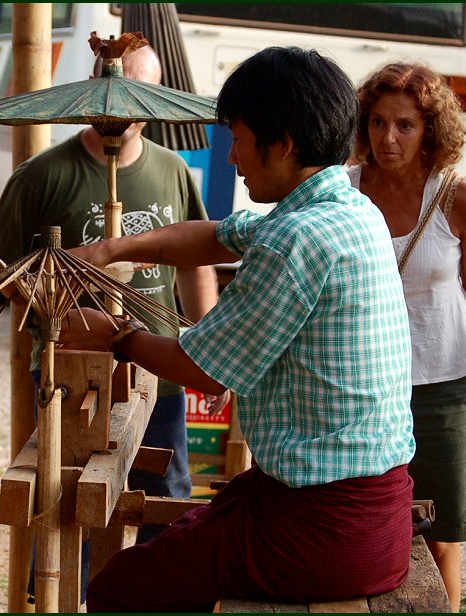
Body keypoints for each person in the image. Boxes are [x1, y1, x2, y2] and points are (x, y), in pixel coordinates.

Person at [60, 46, 417, 612]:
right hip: (367, 508)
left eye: (239, 139)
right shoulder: (345, 207)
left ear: (285, 144)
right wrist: (109, 248)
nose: (231, 158)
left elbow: (203, 373)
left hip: (328, 531)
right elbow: (217, 234)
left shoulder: (296, 240)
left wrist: (115, 335)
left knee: (118, 589)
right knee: (185, 539)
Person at [0, 44, 224, 544]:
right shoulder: (41, 176)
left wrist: (209, 344)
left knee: (164, 504)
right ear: (94, 84)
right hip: (70, 378)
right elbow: (3, 274)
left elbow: (193, 264)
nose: (123, 109)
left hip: (160, 370)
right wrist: (62, 298)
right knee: (68, 511)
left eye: (140, 94)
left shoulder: (172, 170)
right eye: (115, 92)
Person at [348, 61, 466, 612]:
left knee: (442, 528)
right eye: (378, 122)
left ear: (430, 128)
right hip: (365, 383)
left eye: (404, 124)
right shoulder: (348, 189)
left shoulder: (459, 196)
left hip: (441, 386)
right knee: (365, 521)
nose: (388, 138)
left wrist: (428, 341)